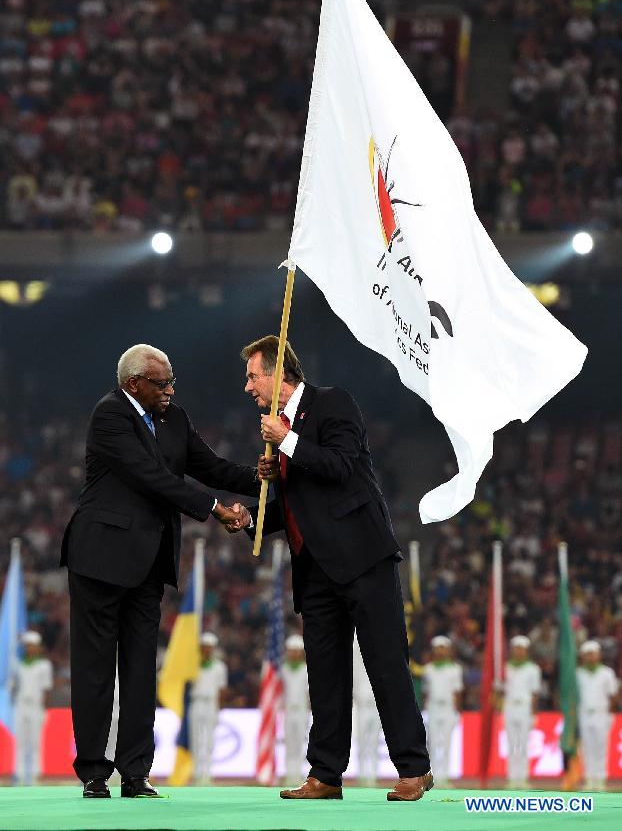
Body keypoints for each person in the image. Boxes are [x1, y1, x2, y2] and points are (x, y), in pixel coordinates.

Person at [231, 335, 431, 802]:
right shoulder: (278, 430)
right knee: (324, 673)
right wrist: (250, 518)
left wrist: (288, 442)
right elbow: (299, 505)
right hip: (313, 567)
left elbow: (340, 466)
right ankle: (325, 774)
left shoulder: (332, 403)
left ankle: (414, 768)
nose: (248, 387)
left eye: (253, 376)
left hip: (362, 557)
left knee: (385, 662)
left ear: (279, 373)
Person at [60, 343, 256, 799]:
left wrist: (261, 474)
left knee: (141, 669)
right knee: (95, 668)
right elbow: (151, 476)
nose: (170, 391)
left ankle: (136, 772)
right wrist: (213, 508)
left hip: (150, 562)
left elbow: (211, 466)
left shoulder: (174, 418)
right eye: (162, 383)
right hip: (100, 558)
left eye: (172, 382)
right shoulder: (110, 415)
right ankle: (93, 772)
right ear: (134, 384)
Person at [576, 640, 619, 791]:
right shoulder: (578, 674)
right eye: (588, 654)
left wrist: (610, 714)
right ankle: (589, 779)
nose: (591, 657)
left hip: (601, 714)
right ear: (583, 656)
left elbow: (613, 696)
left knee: (601, 747)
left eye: (593, 654)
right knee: (586, 748)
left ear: (599, 655)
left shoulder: (607, 673)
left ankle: (600, 780)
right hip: (584, 713)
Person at [13, 631, 53, 785]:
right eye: (27, 646)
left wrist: (44, 709)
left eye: (33, 646)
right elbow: (15, 686)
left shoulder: (44, 665)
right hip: (20, 705)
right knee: (20, 741)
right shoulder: (18, 664)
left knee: (35, 741)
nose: (30, 648)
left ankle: (36, 772)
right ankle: (19, 773)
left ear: (38, 647)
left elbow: (46, 689)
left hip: (36, 706)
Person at [423, 636, 462, 787]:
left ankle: (444, 777)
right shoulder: (428, 669)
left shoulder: (455, 669)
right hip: (433, 708)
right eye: (437, 648)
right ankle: (432, 777)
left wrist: (456, 711)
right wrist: (426, 709)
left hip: (447, 708)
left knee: (446, 743)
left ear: (448, 650)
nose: (440, 651)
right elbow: (425, 692)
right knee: (432, 743)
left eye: (443, 648)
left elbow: (457, 692)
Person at [502, 635, 541, 788]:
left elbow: (535, 693)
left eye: (521, 649)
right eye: (516, 648)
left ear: (526, 650)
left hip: (525, 707)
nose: (519, 651)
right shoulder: (505, 668)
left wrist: (534, 713)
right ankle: (512, 778)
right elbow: (500, 690)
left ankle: (523, 778)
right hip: (510, 707)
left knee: (524, 744)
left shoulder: (533, 669)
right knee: (511, 743)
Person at [189, 632, 228, 784]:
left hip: (211, 703)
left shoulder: (219, 667)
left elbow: (222, 690)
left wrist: (219, 707)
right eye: (204, 647)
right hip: (197, 702)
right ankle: (196, 773)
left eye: (209, 647)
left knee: (209, 740)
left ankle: (208, 773)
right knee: (196, 739)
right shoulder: (192, 665)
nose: (207, 650)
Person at [353, 632, 382, 786]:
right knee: (363, 740)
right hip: (362, 703)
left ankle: (373, 775)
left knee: (374, 741)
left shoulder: (379, 651)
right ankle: (362, 774)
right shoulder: (355, 652)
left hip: (377, 703)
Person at [282, 634, 310, 786]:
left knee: (299, 743)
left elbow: (309, 693)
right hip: (288, 711)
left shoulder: (306, 670)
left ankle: (298, 774)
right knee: (289, 743)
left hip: (301, 711)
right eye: (291, 650)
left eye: (296, 651)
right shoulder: (283, 669)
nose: (294, 653)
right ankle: (289, 774)